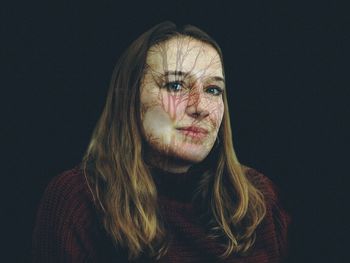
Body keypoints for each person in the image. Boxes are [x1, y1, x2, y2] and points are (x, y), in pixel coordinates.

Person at [32, 21, 290, 262]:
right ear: (131, 99)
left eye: (213, 90)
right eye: (175, 86)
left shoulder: (258, 198)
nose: (199, 107)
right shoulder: (79, 199)